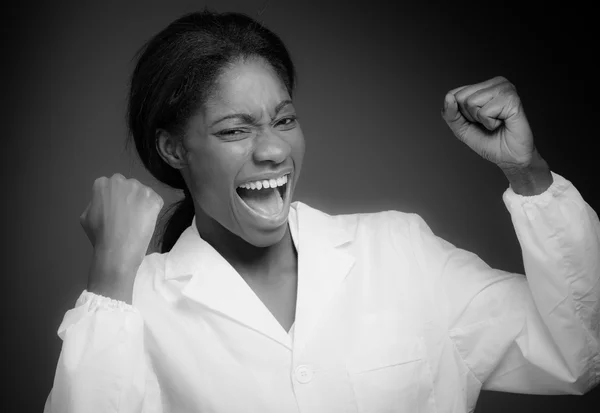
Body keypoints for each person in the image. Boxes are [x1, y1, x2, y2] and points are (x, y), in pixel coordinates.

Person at [44, 10, 599, 413]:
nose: (273, 149)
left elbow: (580, 353)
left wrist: (529, 176)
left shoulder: (399, 251)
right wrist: (111, 280)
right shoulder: (136, 307)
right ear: (172, 149)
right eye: (235, 130)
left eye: (284, 120)